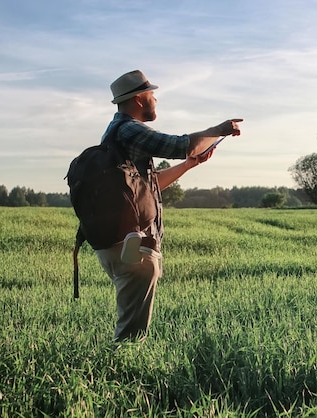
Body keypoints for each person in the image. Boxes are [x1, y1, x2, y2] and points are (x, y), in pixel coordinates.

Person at [96, 69, 242, 342]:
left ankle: (121, 372)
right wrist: (218, 130)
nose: (156, 100)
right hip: (133, 245)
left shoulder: (115, 133)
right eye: (152, 95)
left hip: (121, 243)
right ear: (139, 99)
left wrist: (188, 165)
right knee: (130, 336)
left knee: (131, 323)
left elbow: (145, 188)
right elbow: (180, 145)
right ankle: (122, 376)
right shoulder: (129, 129)